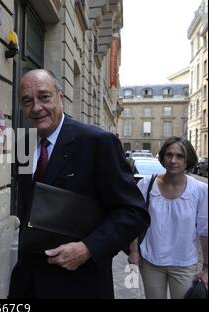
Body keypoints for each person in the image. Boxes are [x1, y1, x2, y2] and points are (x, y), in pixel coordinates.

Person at [8, 69, 150, 299]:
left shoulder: (97, 142)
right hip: (28, 283)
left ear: (60, 97)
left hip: (79, 285)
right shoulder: (24, 145)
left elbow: (133, 213)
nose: (36, 108)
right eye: (27, 101)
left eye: (44, 97)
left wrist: (88, 249)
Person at [128, 137, 208, 299]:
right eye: (169, 155)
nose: (173, 160)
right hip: (151, 262)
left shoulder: (200, 190)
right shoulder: (146, 184)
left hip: (184, 264)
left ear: (188, 160)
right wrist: (133, 251)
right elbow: (135, 220)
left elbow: (205, 230)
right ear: (163, 157)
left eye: (180, 156)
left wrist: (207, 267)